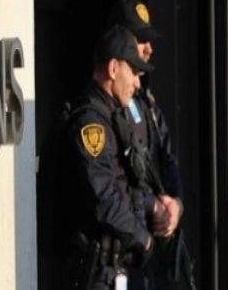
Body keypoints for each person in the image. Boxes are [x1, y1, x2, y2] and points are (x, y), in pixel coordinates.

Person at [61, 25, 164, 290]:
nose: (137, 83)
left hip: (120, 269)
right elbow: (104, 198)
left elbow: (130, 183)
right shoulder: (91, 124)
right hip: (97, 274)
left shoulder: (116, 118)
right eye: (134, 73)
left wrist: (152, 213)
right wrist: (142, 238)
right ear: (113, 68)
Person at [107, 0, 185, 288]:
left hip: (154, 253)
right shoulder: (105, 109)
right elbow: (115, 181)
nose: (148, 49)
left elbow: (167, 159)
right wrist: (153, 206)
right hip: (127, 251)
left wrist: (176, 205)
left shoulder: (145, 103)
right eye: (141, 40)